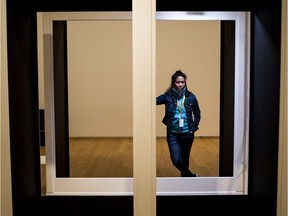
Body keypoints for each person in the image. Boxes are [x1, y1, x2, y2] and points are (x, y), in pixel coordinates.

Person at [156, 70, 201, 177]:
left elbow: (198, 114)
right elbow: (151, 101)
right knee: (176, 160)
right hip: (173, 134)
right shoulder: (167, 96)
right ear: (173, 83)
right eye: (177, 82)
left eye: (182, 82)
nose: (180, 85)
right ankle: (191, 176)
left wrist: (192, 129)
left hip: (187, 133)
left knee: (185, 160)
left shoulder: (191, 97)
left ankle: (186, 183)